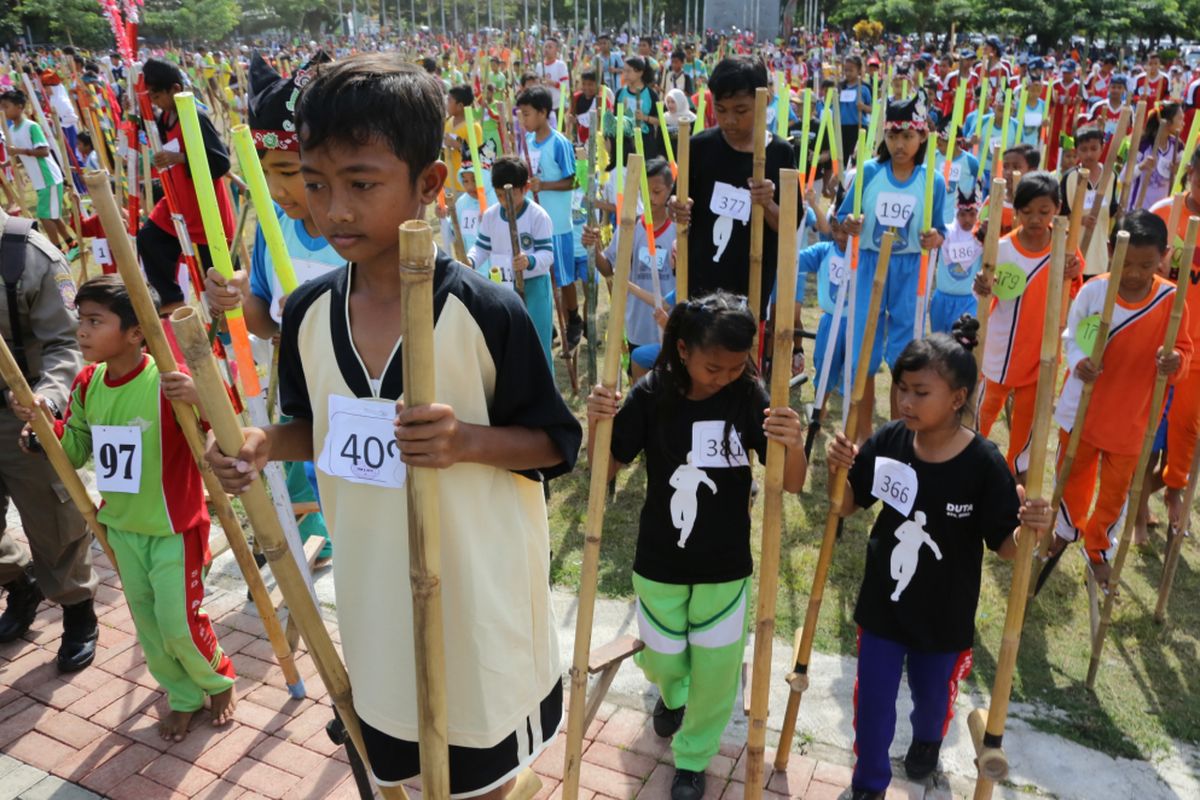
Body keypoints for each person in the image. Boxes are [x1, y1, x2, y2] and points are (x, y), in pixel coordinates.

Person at [204, 55, 581, 800]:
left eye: (361, 184)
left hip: (476, 598)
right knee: (397, 765)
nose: (333, 209)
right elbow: (314, 427)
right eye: (315, 183)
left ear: (429, 184)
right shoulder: (307, 315)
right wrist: (262, 446)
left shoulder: (485, 311)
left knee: (481, 775)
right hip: (373, 592)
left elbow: (555, 443)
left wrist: (465, 441)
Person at [586, 291, 807, 800]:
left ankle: (692, 758)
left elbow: (789, 484)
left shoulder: (748, 396)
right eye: (714, 366)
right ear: (682, 349)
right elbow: (606, 467)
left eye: (737, 366)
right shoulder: (651, 394)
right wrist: (598, 422)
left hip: (725, 564)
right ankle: (673, 691)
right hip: (660, 559)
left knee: (716, 670)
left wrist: (792, 444)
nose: (725, 377)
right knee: (664, 657)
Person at [825, 316, 1052, 800]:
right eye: (902, 389)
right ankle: (868, 784)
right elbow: (846, 505)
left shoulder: (984, 463)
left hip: (945, 615)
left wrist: (1034, 529)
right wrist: (836, 471)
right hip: (883, 605)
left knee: (931, 702)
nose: (905, 401)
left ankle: (928, 739)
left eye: (920, 392)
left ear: (957, 398)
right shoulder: (890, 441)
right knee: (872, 704)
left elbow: (1007, 548)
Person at [13, 274, 238, 740]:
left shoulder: (168, 380)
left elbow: (226, 428)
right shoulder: (89, 382)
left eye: (96, 321)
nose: (82, 331)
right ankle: (181, 695)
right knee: (150, 626)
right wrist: (42, 432)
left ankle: (217, 679)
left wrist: (201, 397)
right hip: (122, 529)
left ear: (136, 332)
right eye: (81, 320)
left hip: (175, 529)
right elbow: (74, 448)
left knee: (179, 624)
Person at [203, 52, 336, 566]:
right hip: (301, 387)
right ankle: (316, 531)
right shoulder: (277, 223)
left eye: (288, 172)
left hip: (362, 397)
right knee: (311, 473)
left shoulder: (359, 236)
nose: (277, 190)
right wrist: (237, 297)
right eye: (265, 176)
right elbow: (264, 316)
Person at [1050, 211, 1191, 590]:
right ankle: (1064, 529)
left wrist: (1174, 362)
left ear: (1163, 257)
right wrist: (1080, 362)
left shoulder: (1171, 300)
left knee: (1115, 492)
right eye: (1126, 263)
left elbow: (1183, 350)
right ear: (1112, 251)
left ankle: (1098, 548)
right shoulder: (1095, 290)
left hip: (1133, 419)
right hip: (1083, 410)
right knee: (1072, 476)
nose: (1134, 273)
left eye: (1146, 265)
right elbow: (1071, 335)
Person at [0, 208, 99, 672]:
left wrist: (48, 399)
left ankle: (78, 611)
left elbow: (67, 342)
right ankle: (20, 582)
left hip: (24, 413)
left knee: (55, 522)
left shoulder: (29, 255)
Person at [839, 91, 947, 434]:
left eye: (907, 136)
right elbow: (844, 219)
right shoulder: (868, 173)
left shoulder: (933, 180)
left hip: (910, 269)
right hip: (869, 265)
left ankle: (899, 433)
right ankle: (862, 433)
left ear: (921, 136)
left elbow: (939, 231)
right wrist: (850, 225)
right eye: (892, 136)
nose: (899, 144)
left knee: (906, 357)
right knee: (862, 353)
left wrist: (934, 239)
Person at [974, 173, 1083, 475]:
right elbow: (984, 290)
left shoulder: (1065, 249)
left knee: (1024, 435)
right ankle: (965, 471)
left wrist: (1073, 272)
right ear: (1016, 210)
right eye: (1027, 211)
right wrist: (982, 286)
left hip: (1040, 359)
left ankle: (1011, 485)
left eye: (1044, 211)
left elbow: (1076, 292)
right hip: (999, 354)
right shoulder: (1002, 248)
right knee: (978, 421)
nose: (1035, 219)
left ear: (1057, 208)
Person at [670, 56, 793, 313]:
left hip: (751, 287)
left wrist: (767, 202)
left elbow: (788, 226)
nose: (729, 120)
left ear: (763, 103)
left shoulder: (780, 153)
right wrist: (677, 208)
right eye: (721, 109)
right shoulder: (699, 147)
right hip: (700, 284)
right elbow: (677, 204)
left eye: (740, 111)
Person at [135, 58, 235, 313]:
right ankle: (171, 300)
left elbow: (221, 162)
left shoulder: (195, 117)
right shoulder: (164, 117)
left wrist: (179, 158)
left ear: (175, 89)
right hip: (177, 202)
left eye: (157, 96)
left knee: (216, 278)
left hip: (204, 208)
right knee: (149, 238)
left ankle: (225, 330)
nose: (155, 102)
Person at [583, 156, 676, 381]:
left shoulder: (678, 230)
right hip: (637, 325)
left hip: (671, 323)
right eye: (647, 191)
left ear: (670, 188)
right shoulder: (630, 226)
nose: (652, 198)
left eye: (658, 191)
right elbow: (607, 269)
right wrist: (594, 249)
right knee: (639, 385)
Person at [1149, 149, 1200, 542]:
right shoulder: (1165, 212)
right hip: (1161, 339)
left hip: (1197, 351)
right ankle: (1134, 517)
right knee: (1148, 429)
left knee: (1185, 428)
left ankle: (1173, 492)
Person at [468, 156, 556, 370]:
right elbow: (481, 248)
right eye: (499, 195)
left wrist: (529, 261)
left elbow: (547, 255)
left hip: (534, 286)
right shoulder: (490, 216)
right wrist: (470, 260)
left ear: (525, 188)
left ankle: (544, 394)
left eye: (510, 195)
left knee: (537, 343)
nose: (504, 201)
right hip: (502, 287)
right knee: (505, 344)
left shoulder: (538, 216)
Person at [516, 86, 582, 352]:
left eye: (528, 114)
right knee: (540, 274)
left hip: (558, 223)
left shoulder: (560, 143)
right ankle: (547, 325)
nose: (524, 120)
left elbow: (573, 180)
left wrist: (544, 186)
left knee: (563, 277)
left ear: (543, 113)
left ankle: (573, 320)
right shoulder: (528, 143)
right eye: (521, 115)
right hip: (535, 223)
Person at [0, 89, 77, 255]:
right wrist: (6, 163)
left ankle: (57, 250)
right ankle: (72, 244)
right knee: (52, 214)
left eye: (6, 106)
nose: (3, 111)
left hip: (48, 175)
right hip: (39, 179)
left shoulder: (31, 127)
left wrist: (19, 150)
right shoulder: (12, 131)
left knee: (44, 215)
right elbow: (20, 156)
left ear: (20, 107)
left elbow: (43, 151)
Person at [1061, 126, 1119, 278]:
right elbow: (1061, 215)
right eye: (1083, 149)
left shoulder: (1110, 175)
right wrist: (1080, 219)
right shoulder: (1070, 178)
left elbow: (1112, 210)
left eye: (1094, 148)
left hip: (1099, 251)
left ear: (1102, 148)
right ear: (1077, 151)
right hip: (1075, 251)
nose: (1089, 154)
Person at [930, 187, 983, 334]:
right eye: (963, 215)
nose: (967, 220)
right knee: (940, 347)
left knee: (963, 347)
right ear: (956, 214)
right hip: (942, 301)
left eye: (972, 215)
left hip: (969, 301)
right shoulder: (946, 232)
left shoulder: (981, 238)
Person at [1128, 102, 1184, 212]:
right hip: (1138, 208)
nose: (1184, 123)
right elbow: (1124, 176)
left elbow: (1184, 179)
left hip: (1161, 211)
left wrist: (1178, 171)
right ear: (1167, 122)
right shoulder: (1144, 144)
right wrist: (1141, 166)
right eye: (1180, 119)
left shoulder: (1177, 146)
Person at [444, 84, 485, 193]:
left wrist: (456, 145)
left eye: (449, 101)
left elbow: (476, 155)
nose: (446, 104)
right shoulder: (448, 122)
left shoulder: (473, 127)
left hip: (464, 186)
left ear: (460, 106)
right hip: (448, 181)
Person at [838, 55, 873, 163]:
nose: (847, 73)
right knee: (843, 159)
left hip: (858, 127)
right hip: (842, 127)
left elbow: (872, 109)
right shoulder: (841, 87)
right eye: (846, 70)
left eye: (851, 70)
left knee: (857, 158)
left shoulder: (864, 89)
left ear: (858, 71)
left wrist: (863, 107)